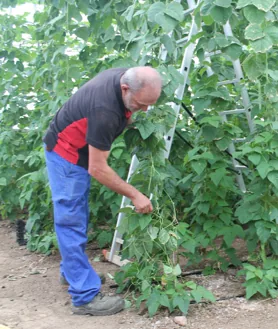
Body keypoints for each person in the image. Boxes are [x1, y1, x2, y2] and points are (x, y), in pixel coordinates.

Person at [43, 66, 162, 316]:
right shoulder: (104, 111)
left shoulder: (124, 78)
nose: (145, 110)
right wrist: (135, 194)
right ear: (125, 89)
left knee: (78, 215)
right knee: (71, 220)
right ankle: (84, 297)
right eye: (141, 104)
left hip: (81, 148)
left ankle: (73, 273)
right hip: (67, 153)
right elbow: (98, 168)